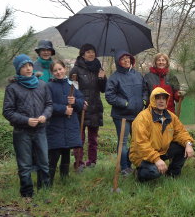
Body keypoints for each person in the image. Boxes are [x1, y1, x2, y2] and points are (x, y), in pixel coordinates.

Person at [3, 54, 53, 198]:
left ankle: (45, 190)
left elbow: (49, 104)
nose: (28, 68)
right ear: (18, 69)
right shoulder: (12, 88)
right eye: (24, 66)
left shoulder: (42, 84)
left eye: (30, 65)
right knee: (24, 164)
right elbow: (7, 111)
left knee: (44, 162)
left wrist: (45, 115)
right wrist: (26, 120)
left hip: (40, 130)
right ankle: (27, 194)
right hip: (22, 131)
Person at [129, 87, 195, 182]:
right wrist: (156, 159)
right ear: (152, 100)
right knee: (155, 172)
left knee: (183, 147)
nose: (161, 101)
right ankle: (139, 174)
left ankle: (172, 175)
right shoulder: (142, 118)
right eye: (158, 98)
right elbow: (141, 144)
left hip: (161, 151)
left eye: (164, 98)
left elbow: (180, 132)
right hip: (142, 155)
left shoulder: (171, 116)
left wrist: (188, 144)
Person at [105, 51, 148, 176]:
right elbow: (109, 96)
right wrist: (125, 104)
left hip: (137, 115)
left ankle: (133, 163)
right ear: (119, 62)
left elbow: (145, 90)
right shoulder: (114, 77)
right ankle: (124, 167)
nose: (126, 60)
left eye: (127, 58)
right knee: (123, 142)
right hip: (121, 116)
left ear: (131, 60)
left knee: (136, 141)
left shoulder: (138, 75)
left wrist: (144, 100)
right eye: (123, 59)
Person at [69, 43, 107, 171]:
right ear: (83, 54)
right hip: (81, 107)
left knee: (93, 138)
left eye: (93, 52)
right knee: (79, 137)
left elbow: (103, 90)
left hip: (95, 106)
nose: (91, 54)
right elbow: (72, 89)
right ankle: (78, 163)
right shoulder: (76, 69)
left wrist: (102, 79)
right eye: (88, 52)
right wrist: (79, 102)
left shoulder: (99, 68)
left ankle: (92, 162)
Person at [46, 60, 84, 185]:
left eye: (60, 69)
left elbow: (81, 101)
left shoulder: (71, 85)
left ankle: (64, 179)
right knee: (54, 153)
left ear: (65, 69)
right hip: (55, 126)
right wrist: (63, 109)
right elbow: (47, 105)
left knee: (66, 151)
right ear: (52, 73)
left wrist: (75, 102)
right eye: (55, 70)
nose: (58, 72)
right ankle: (48, 181)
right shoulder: (49, 86)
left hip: (69, 125)